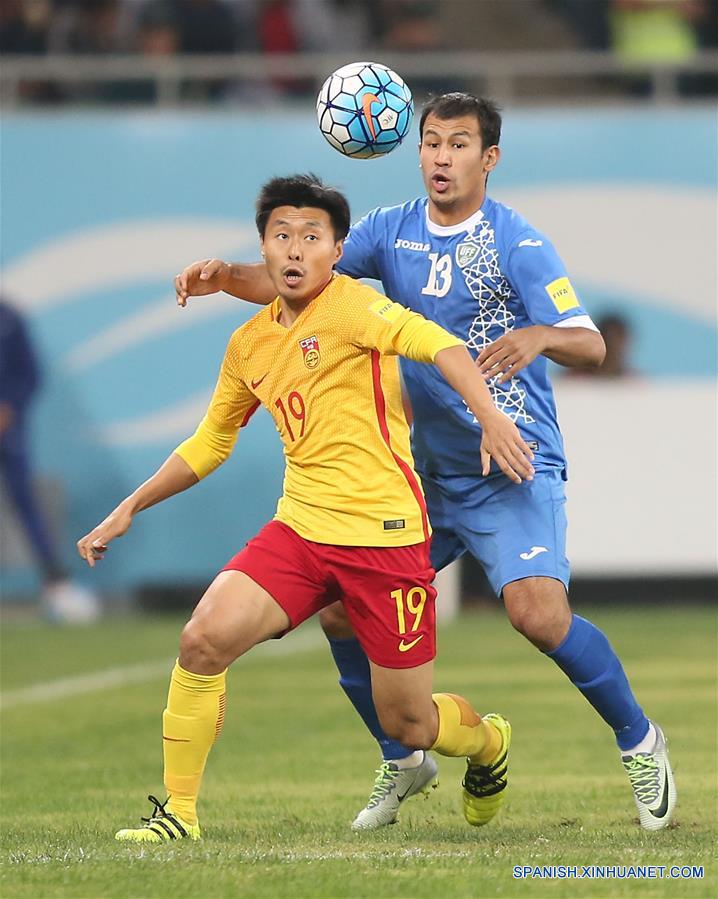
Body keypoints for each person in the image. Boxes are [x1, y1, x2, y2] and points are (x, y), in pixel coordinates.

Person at [174, 94, 677, 834]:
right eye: (431, 142)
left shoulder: (518, 243)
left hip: (507, 463)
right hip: (419, 478)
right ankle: (402, 756)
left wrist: (539, 336)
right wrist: (224, 276)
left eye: (459, 144)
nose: (442, 157)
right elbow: (297, 274)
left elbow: (592, 345)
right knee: (338, 606)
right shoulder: (389, 230)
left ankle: (638, 738)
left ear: (489, 158)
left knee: (537, 615)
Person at [78, 173, 536, 843]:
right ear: (263, 246)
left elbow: (440, 346)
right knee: (202, 639)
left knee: (410, 725)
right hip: (300, 530)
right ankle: (178, 813)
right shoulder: (249, 344)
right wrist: (130, 506)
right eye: (282, 234)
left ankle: (489, 742)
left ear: (337, 251)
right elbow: (211, 441)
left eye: (312, 236)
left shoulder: (356, 308)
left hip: (385, 537)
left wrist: (489, 415)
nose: (295, 249)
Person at [0, 298, 100, 624]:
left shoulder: (9, 318)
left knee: (26, 503)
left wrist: (9, 408)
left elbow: (30, 374)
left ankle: (56, 584)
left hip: (9, 430)